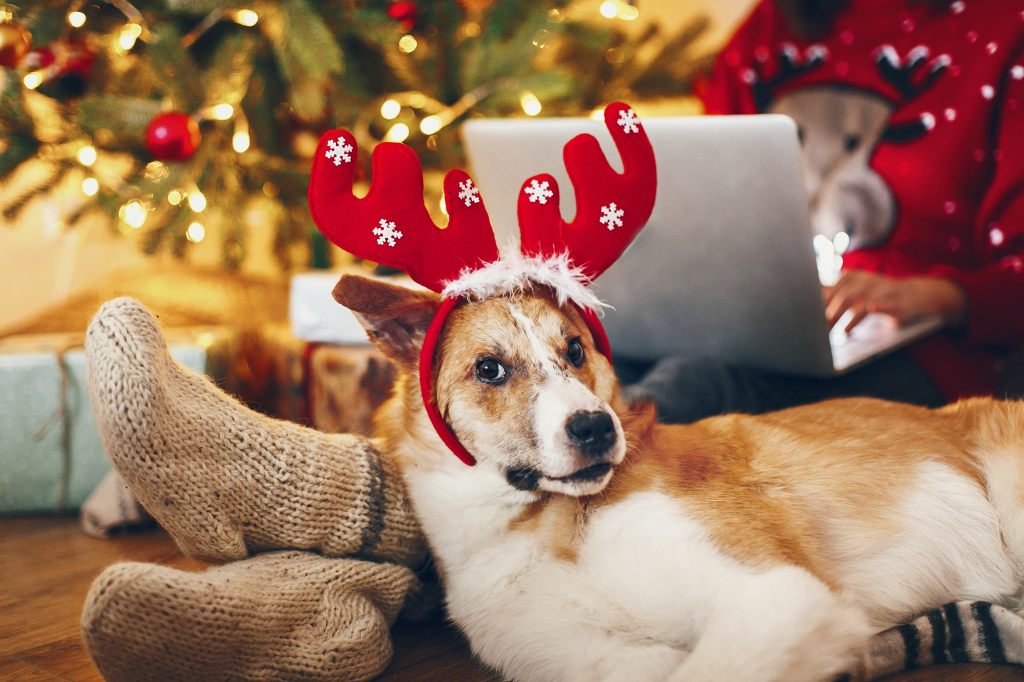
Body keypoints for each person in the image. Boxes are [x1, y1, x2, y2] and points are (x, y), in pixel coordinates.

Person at [626, 0, 1024, 423]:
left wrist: (934, 296)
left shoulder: (1005, 28)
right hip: (764, 322)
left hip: (921, 350)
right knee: (616, 361)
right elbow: (708, 197)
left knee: (696, 386)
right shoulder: (770, 28)